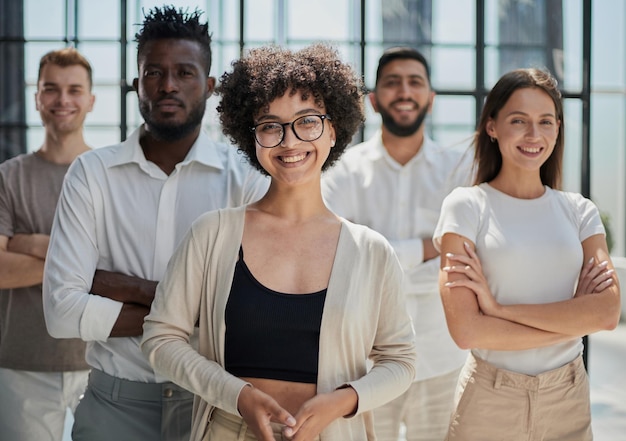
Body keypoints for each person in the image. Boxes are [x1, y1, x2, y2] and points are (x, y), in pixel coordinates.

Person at [141, 43, 417, 441]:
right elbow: (161, 339)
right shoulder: (212, 233)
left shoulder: (370, 250)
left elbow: (401, 361)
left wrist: (342, 401)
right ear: (250, 137)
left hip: (333, 433)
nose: (289, 142)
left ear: (333, 128)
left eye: (307, 121)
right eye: (271, 126)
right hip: (228, 431)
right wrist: (238, 396)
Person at [42, 6, 268, 441]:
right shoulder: (91, 173)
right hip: (113, 406)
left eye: (184, 72)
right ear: (135, 84)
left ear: (209, 85)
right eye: (153, 73)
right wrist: (190, 307)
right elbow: (61, 312)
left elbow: (248, 313)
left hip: (213, 405)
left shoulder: (246, 179)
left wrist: (122, 286)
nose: (168, 85)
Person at [434, 68, 621, 441]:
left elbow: (606, 312)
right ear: (492, 126)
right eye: (518, 120)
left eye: (545, 122)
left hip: (567, 395)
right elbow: (467, 330)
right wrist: (571, 318)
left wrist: (499, 311)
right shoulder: (467, 207)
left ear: (557, 129)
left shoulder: (579, 211)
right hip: (490, 397)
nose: (534, 135)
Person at [322, 46, 471, 440]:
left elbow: (469, 249)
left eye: (414, 82)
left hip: (443, 355)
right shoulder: (343, 169)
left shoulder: (460, 170)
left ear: (431, 99)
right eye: (392, 82)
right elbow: (331, 247)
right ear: (373, 100)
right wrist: (430, 247)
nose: (404, 91)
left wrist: (374, 253)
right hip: (364, 362)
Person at [0, 47, 93, 441]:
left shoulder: (109, 174)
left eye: (74, 89)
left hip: (101, 363)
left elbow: (122, 267)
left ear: (90, 99)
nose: (63, 100)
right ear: (36, 97)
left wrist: (29, 243)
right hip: (23, 364)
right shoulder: (9, 176)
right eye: (51, 89)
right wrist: (78, 262)